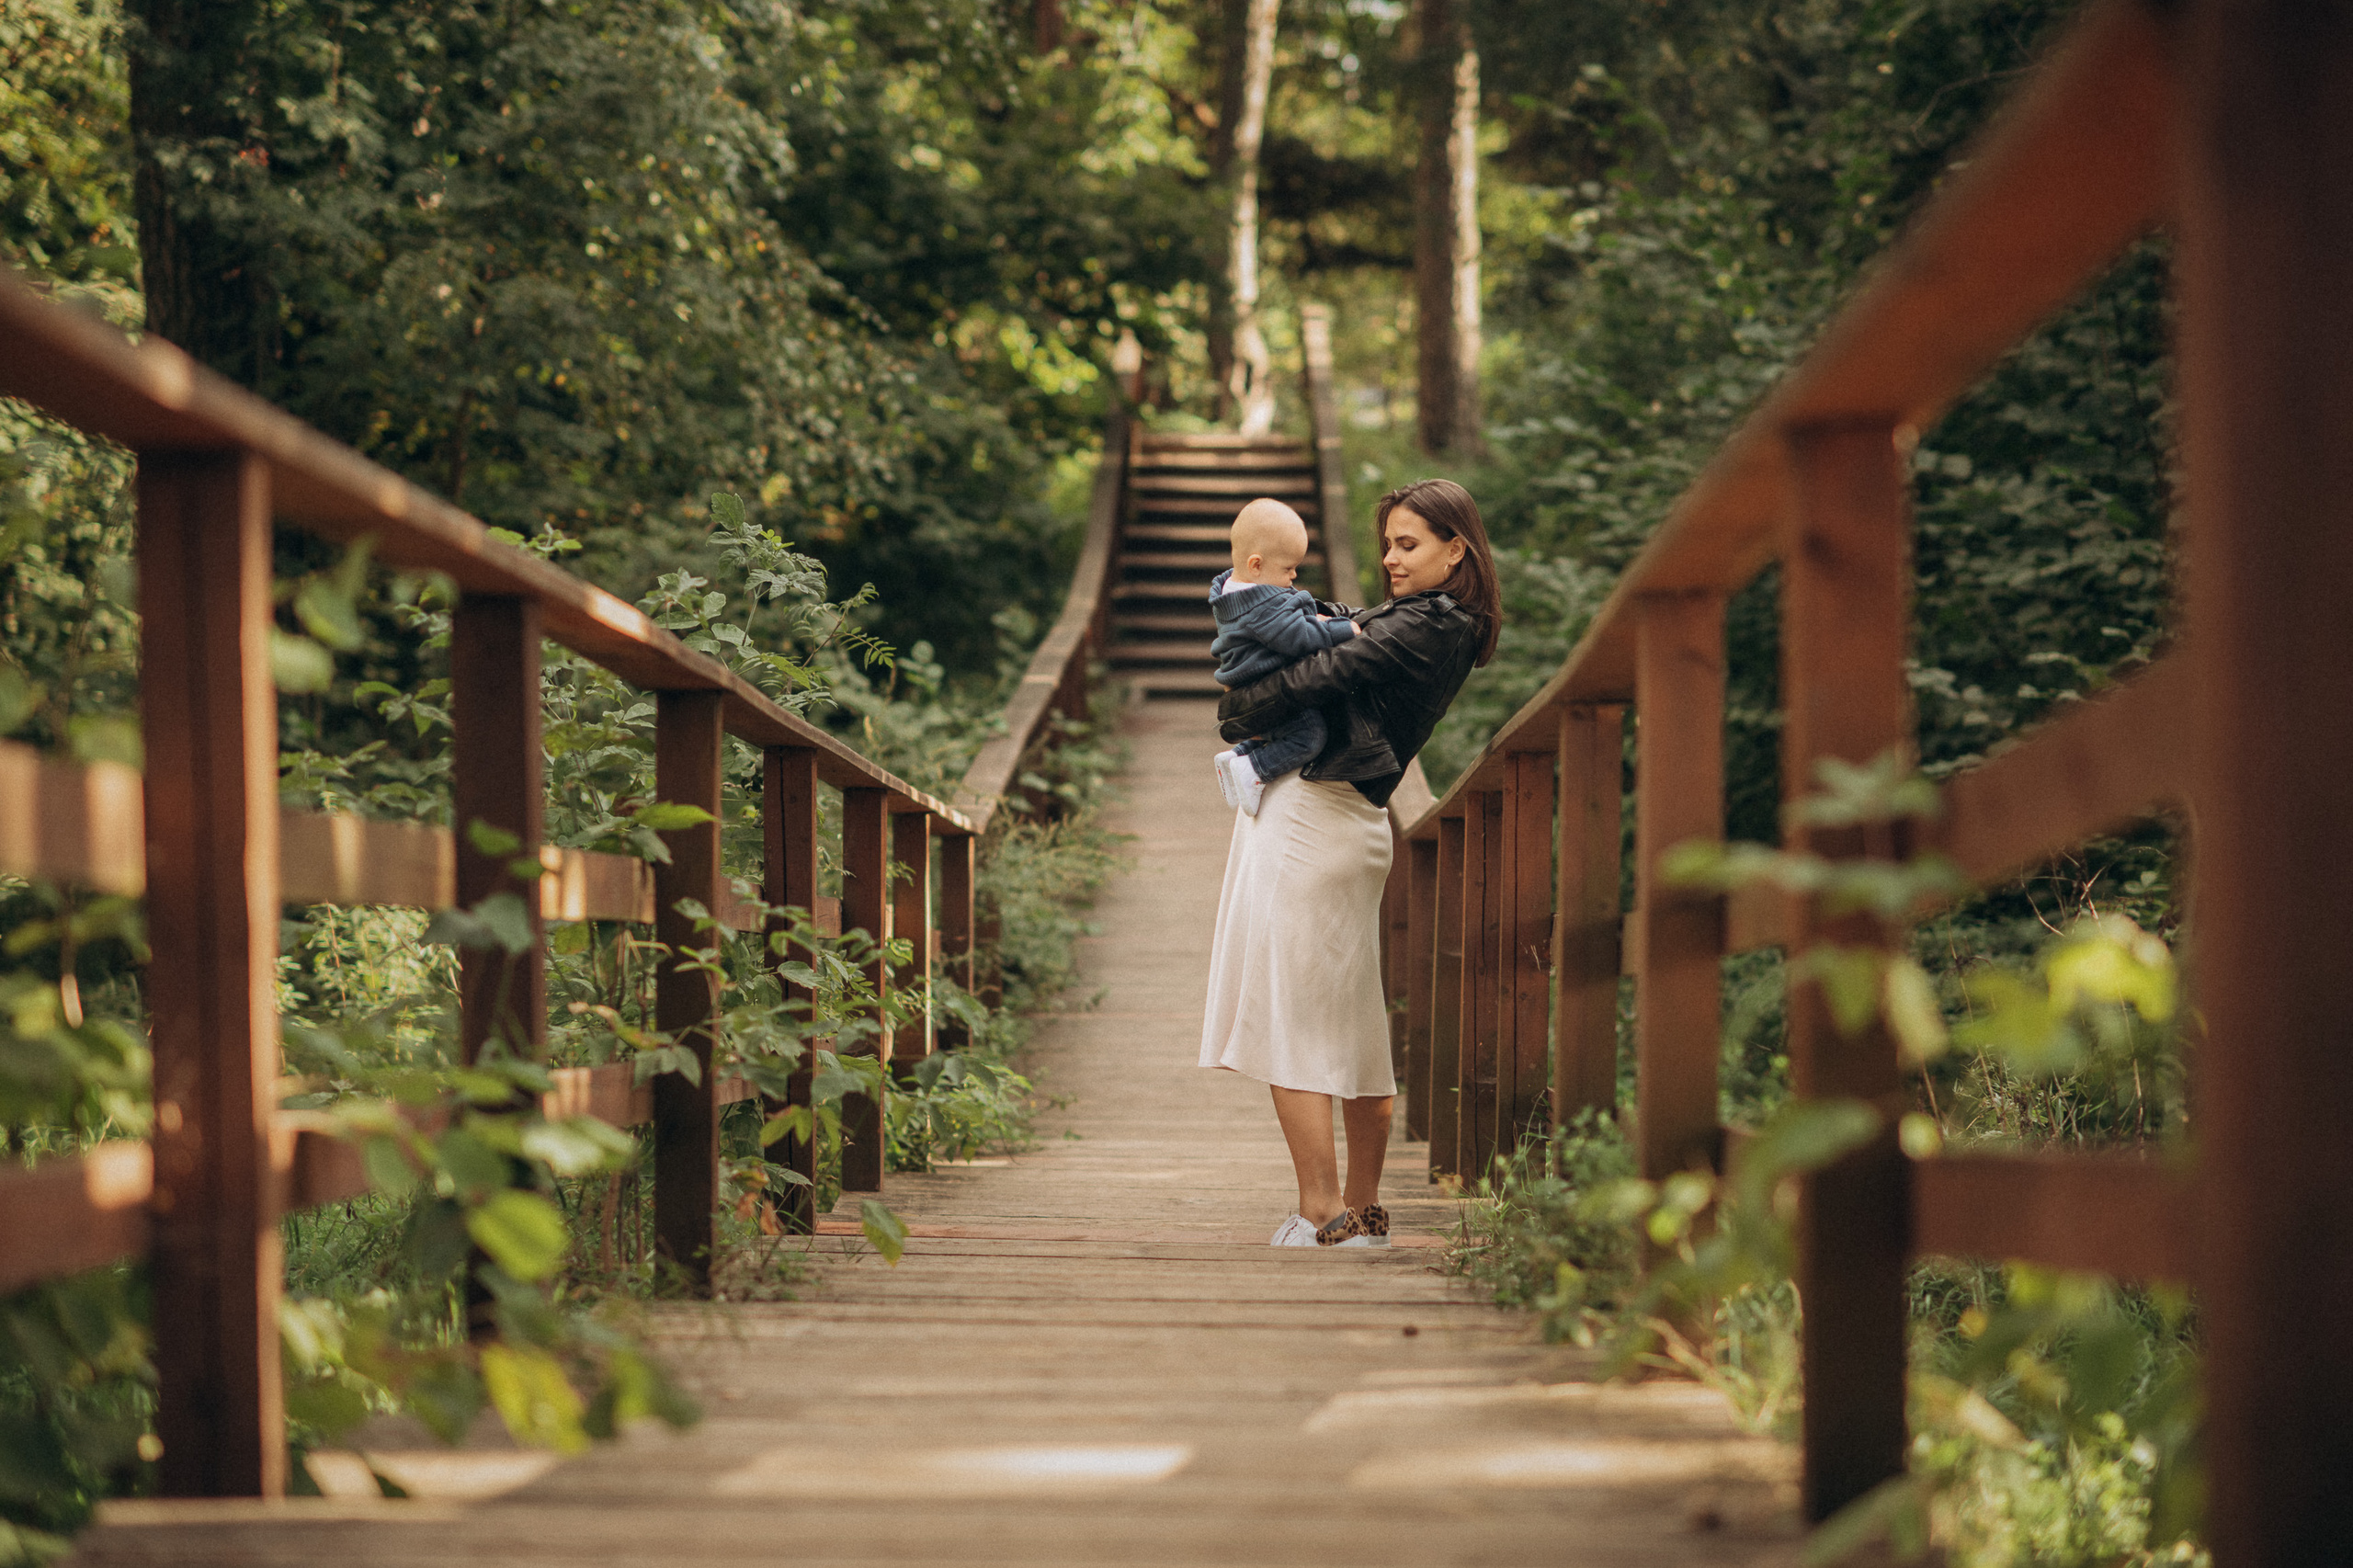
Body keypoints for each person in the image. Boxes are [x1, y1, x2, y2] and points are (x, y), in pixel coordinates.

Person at [1198, 478, 1501, 1246]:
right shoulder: (1424, 619)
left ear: (1455, 548)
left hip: (1313, 816)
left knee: (1289, 1015)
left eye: (1410, 544)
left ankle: (1323, 1210)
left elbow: (1321, 674)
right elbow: (1335, 640)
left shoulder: (1431, 624)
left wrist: (1238, 709)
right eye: (1389, 544)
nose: (1392, 559)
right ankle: (1363, 1214)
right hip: (1349, 820)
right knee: (1349, 1019)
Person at [1206, 497, 1358, 816]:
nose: (1293, 577)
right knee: (1309, 736)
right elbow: (1297, 638)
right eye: (1288, 568)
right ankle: (1254, 770)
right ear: (1257, 565)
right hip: (1268, 684)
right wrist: (1343, 630)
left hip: (1253, 682)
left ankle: (1236, 758)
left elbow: (1281, 625)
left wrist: (1313, 619)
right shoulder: (1260, 605)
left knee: (1281, 733)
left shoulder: (1238, 591)